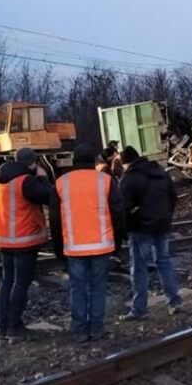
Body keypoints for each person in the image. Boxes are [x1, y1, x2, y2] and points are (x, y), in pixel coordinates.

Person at [49, 145, 126, 342]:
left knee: (77, 289)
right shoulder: (106, 181)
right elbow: (118, 214)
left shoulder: (61, 183)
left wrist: (58, 249)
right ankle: (97, 330)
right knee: (99, 288)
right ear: (93, 161)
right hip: (102, 245)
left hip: (74, 248)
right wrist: (117, 243)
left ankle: (80, 331)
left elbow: (55, 222)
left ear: (73, 161)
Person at [0, 147, 52, 341]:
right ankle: (14, 326)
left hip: (4, 239)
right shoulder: (26, 181)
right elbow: (48, 196)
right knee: (21, 283)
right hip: (24, 239)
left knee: (6, 282)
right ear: (32, 163)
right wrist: (42, 178)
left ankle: (2, 327)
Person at [118, 146, 182, 320]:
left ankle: (139, 309)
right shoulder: (160, 171)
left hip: (140, 228)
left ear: (125, 163)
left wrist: (126, 229)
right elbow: (172, 197)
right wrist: (166, 216)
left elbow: (123, 208)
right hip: (162, 225)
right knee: (164, 262)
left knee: (139, 268)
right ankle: (174, 301)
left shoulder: (129, 178)